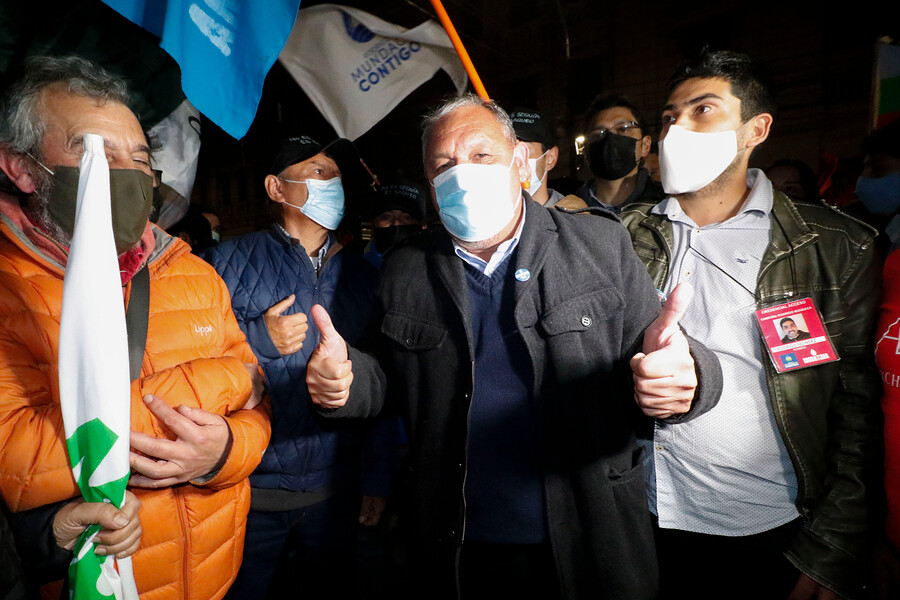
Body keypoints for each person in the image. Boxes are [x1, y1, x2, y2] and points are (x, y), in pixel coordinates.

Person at [305, 94, 722, 599]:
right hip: (456, 543)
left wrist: (690, 376)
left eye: (481, 155)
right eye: (444, 165)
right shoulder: (406, 267)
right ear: (429, 182)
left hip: (588, 536)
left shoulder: (598, 245)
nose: (462, 174)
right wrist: (343, 383)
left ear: (521, 162)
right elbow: (383, 379)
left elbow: (665, 352)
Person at [0, 56, 271, 600]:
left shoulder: (193, 272)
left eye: (140, 158)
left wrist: (222, 452)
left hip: (216, 575)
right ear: (22, 169)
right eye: (96, 152)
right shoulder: (8, 287)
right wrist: (222, 379)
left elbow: (261, 410)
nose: (126, 172)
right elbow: (17, 461)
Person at [619, 48, 881, 600]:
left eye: (702, 110)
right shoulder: (620, 236)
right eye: (668, 116)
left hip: (770, 528)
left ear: (755, 130)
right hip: (640, 518)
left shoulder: (834, 246)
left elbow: (855, 410)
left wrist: (834, 548)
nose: (676, 129)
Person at [202, 135, 399, 599]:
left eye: (336, 174)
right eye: (318, 171)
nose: (333, 182)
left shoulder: (365, 276)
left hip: (336, 492)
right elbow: (189, 362)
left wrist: (378, 476)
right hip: (246, 493)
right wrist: (257, 341)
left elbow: (386, 382)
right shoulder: (222, 264)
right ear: (276, 187)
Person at [557, 93, 665, 212]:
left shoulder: (666, 206)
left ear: (645, 145)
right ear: (586, 152)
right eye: (599, 134)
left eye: (623, 129)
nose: (610, 138)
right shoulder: (566, 210)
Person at [362, 178, 428, 269]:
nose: (396, 223)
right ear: (372, 225)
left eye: (407, 217)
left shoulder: (435, 269)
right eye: (386, 217)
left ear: (422, 226)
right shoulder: (355, 272)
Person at [509, 108, 563, 206]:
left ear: (550, 158)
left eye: (525, 150)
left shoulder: (572, 214)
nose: (514, 159)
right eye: (508, 149)